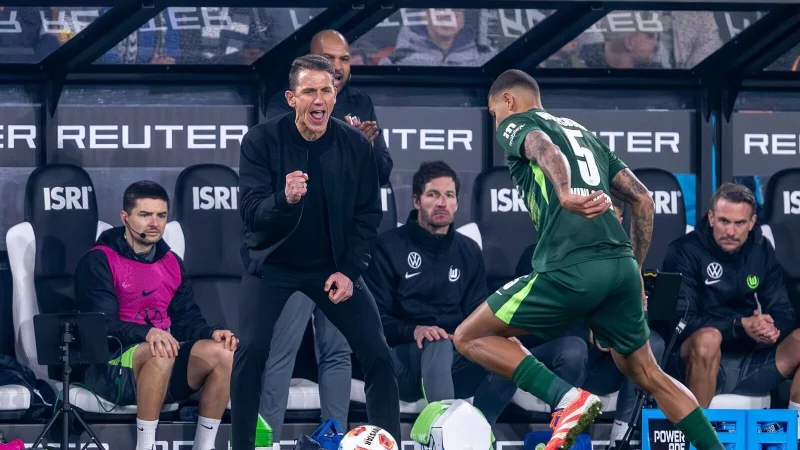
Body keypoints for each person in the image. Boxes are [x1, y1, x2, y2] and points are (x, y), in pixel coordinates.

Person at [452, 69, 726, 450]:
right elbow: (644, 201)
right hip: (621, 267)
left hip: (569, 265)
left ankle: (568, 399)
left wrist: (563, 192)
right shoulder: (584, 134)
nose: (496, 120)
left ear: (509, 101)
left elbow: (540, 146)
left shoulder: (516, 123)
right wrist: (634, 268)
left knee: (469, 335)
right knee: (649, 373)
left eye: (494, 112)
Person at [232, 54, 400, 449]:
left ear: (335, 95)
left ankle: (389, 443)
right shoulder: (260, 141)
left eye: (327, 90)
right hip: (273, 266)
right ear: (292, 98)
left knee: (378, 354)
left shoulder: (357, 144)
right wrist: (284, 199)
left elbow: (367, 216)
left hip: (332, 268)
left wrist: (350, 271)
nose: (319, 99)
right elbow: (251, 215)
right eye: (309, 91)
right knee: (251, 352)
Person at [367, 161, 587, 426]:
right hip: (404, 361)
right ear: (416, 200)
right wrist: (414, 329)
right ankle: (444, 437)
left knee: (507, 353)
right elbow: (375, 319)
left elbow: (477, 311)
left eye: (449, 196)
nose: (442, 203)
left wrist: (500, 336)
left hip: (457, 357)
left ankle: (481, 433)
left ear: (457, 203)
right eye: (433, 195)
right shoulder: (388, 247)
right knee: (438, 343)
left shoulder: (468, 250)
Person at [75, 181, 237, 450]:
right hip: (111, 366)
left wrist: (212, 332)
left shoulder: (171, 262)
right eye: (145, 214)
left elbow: (187, 318)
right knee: (160, 350)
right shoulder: (100, 260)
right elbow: (101, 324)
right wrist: (148, 333)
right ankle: (146, 446)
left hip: (164, 361)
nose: (154, 223)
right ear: (125, 217)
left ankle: (204, 446)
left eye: (161, 215)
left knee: (223, 352)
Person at [663, 183, 800, 418]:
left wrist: (770, 328)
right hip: (696, 362)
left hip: (751, 364)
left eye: (740, 223)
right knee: (709, 339)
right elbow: (680, 321)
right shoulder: (684, 251)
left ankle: (796, 433)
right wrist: (739, 325)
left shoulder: (761, 250)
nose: (731, 232)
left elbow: (783, 310)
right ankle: (698, 438)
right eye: (725, 221)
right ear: (711, 217)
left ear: (752, 222)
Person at [265, 29, 393, 185]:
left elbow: (383, 174)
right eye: (328, 58)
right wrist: (342, 142)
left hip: (347, 206)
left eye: (344, 59)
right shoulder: (285, 103)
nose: (337, 66)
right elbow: (280, 166)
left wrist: (366, 149)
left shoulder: (361, 102)